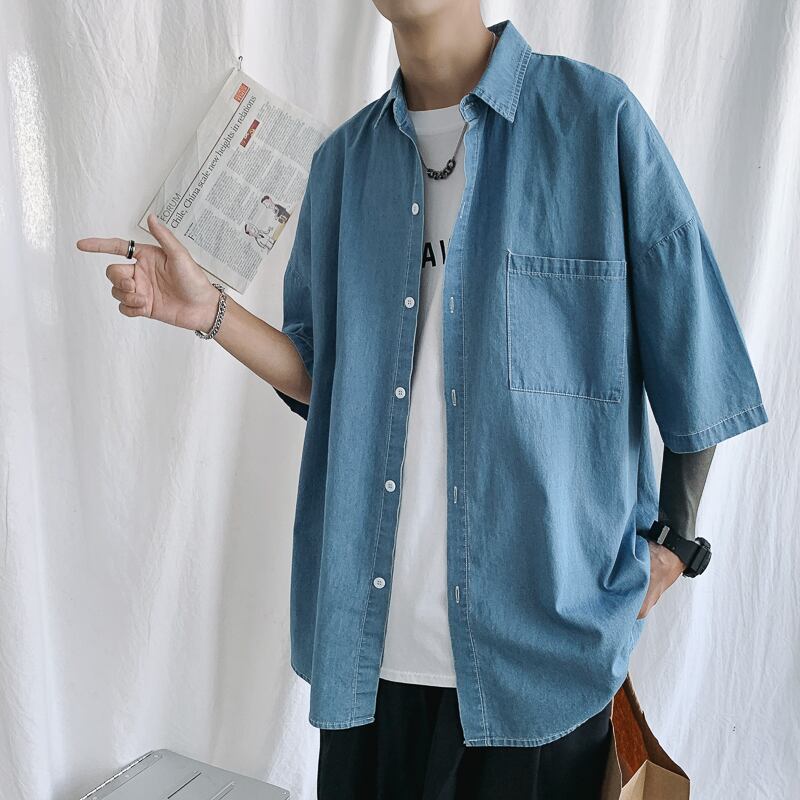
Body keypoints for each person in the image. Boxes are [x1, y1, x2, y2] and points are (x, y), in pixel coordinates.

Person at [75, 2, 769, 798]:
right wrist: (210, 313)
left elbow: (696, 348)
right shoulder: (344, 164)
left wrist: (676, 541)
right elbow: (327, 379)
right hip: (370, 653)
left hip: (545, 654)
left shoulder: (594, 120)